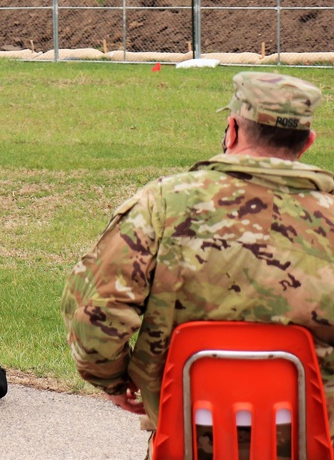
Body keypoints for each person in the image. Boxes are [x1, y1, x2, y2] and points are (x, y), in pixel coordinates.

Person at [62, 71, 334, 455]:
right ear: (307, 143)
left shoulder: (163, 204)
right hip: (312, 442)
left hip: (185, 434)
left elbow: (96, 316)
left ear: (232, 130)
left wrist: (113, 382)